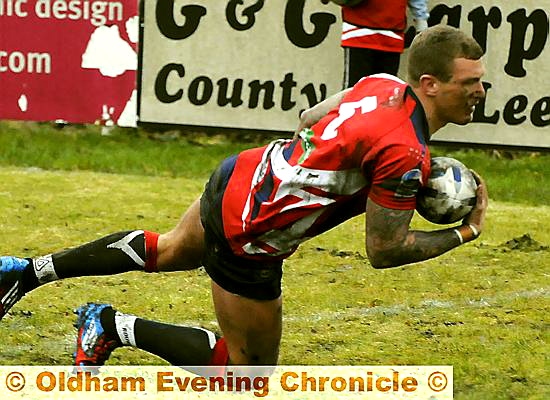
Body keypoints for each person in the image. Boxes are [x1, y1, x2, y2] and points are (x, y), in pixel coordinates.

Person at [0, 25, 488, 369]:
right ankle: (111, 325)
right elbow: (384, 251)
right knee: (247, 375)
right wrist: (464, 231)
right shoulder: (403, 154)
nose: (480, 90)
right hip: (253, 230)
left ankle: (26, 270)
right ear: (430, 83)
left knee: (169, 248)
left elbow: (308, 118)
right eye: (470, 82)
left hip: (242, 173)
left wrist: (313, 168)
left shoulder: (379, 84)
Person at [332, 0, 430, 88]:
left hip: (391, 34)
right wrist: (421, 21)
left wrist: (421, 21)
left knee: (385, 94)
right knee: (354, 93)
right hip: (358, 31)